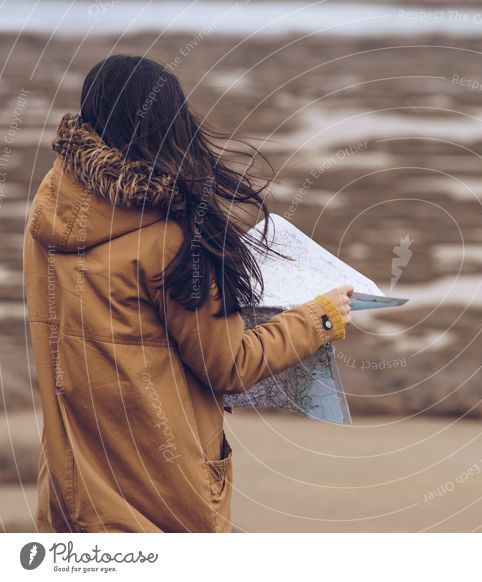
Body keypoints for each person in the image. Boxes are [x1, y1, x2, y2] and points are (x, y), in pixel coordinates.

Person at [23, 55, 352, 532]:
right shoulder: (175, 236)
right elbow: (229, 363)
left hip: (71, 496)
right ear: (171, 124)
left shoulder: (50, 211)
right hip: (162, 498)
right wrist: (319, 318)